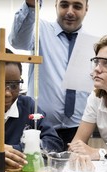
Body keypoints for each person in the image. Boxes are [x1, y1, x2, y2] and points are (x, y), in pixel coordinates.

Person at [9, 0, 90, 150]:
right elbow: (17, 41)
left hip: (78, 130)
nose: (70, 12)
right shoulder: (40, 30)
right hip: (41, 127)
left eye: (77, 6)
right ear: (56, 6)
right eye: (64, 5)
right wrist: (32, 6)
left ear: (86, 9)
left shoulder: (92, 44)